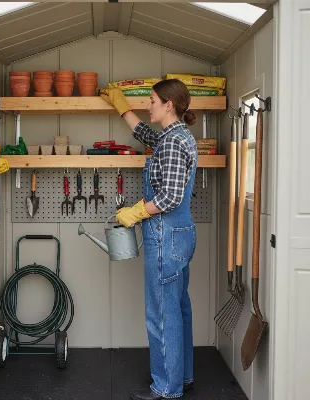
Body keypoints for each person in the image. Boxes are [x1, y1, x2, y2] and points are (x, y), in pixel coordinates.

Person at [100, 79, 198, 400]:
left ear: (169, 105)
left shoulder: (172, 143)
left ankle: (166, 388)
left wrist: (134, 212)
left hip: (164, 233)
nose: (148, 104)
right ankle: (180, 375)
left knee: (160, 311)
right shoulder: (177, 135)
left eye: (153, 100)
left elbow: (168, 197)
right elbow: (145, 134)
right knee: (178, 307)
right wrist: (122, 107)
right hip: (181, 233)